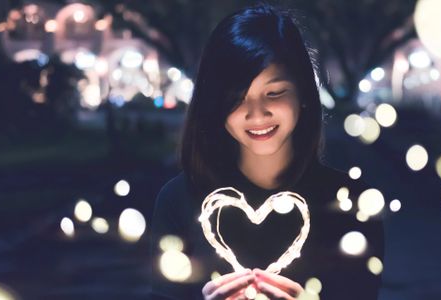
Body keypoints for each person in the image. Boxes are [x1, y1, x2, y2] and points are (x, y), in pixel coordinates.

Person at [150, 4, 384, 299]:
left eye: (274, 93)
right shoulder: (179, 201)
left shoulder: (350, 206)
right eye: (236, 98)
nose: (256, 113)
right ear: (213, 102)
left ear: (303, 95)